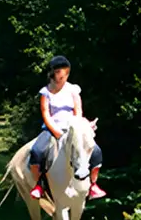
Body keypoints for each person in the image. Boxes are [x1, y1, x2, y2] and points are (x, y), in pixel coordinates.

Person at [29, 56, 106, 200]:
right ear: (53, 73)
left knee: (96, 151)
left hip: (72, 128)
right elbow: (46, 114)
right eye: (60, 74)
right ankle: (38, 184)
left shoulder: (73, 90)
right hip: (52, 129)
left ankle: (93, 185)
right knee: (37, 151)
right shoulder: (46, 92)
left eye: (66, 74)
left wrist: (80, 127)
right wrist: (57, 133)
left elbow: (78, 111)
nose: (63, 77)